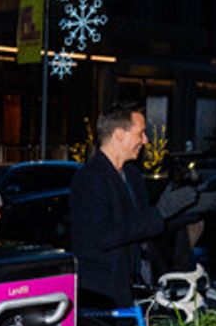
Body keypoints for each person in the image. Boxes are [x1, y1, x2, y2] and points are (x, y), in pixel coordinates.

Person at [69, 102, 206, 308]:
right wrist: (160, 212)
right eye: (140, 133)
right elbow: (103, 235)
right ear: (119, 135)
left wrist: (188, 213)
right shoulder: (90, 178)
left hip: (138, 283)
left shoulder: (132, 175)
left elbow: (144, 227)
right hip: (105, 293)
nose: (146, 140)